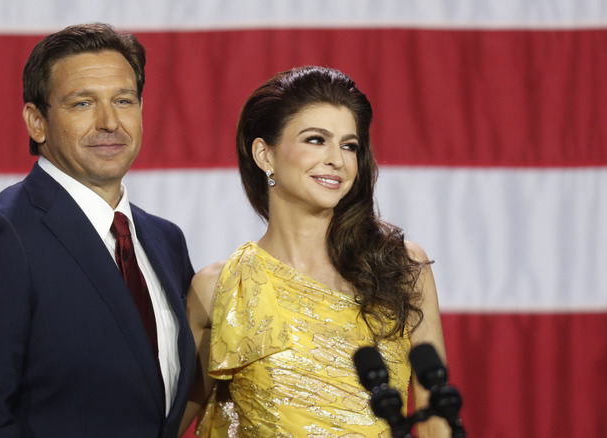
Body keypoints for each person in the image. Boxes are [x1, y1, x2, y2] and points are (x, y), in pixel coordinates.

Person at [0, 23, 195, 437]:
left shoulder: (165, 240)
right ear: (37, 121)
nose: (109, 122)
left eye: (123, 100)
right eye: (83, 103)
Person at [182, 66, 450, 437]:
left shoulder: (400, 268)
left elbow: (436, 413)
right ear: (264, 154)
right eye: (315, 140)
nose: (337, 160)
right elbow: (167, 423)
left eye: (349, 145)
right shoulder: (222, 287)